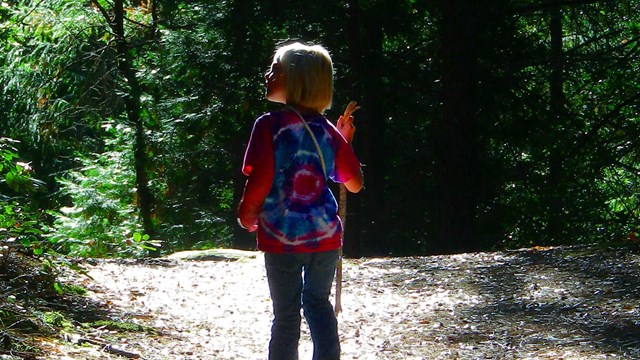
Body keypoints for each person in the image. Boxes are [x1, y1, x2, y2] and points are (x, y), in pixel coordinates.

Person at [236, 41, 363, 360]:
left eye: (275, 69)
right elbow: (355, 183)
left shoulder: (269, 126)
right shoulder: (327, 130)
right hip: (324, 239)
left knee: (286, 315)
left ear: (296, 80)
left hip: (282, 239)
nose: (267, 73)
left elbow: (261, 178)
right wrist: (343, 143)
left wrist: (247, 214)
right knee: (318, 304)